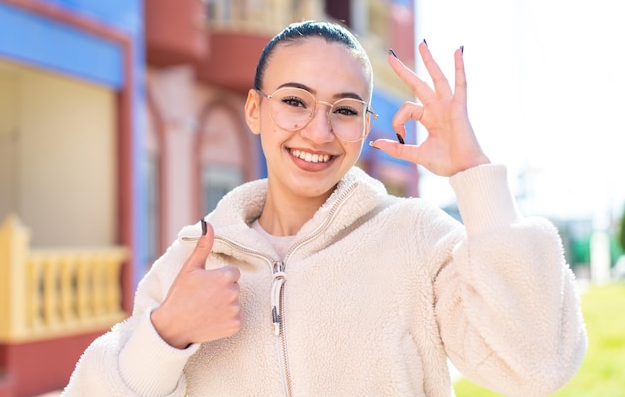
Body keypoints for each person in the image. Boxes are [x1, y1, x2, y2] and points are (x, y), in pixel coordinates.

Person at [63, 20, 586, 396]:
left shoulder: (417, 239)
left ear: (364, 125)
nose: (319, 131)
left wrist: (473, 172)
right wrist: (165, 335)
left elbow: (538, 367)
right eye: (294, 100)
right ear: (254, 109)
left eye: (344, 110)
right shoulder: (192, 263)